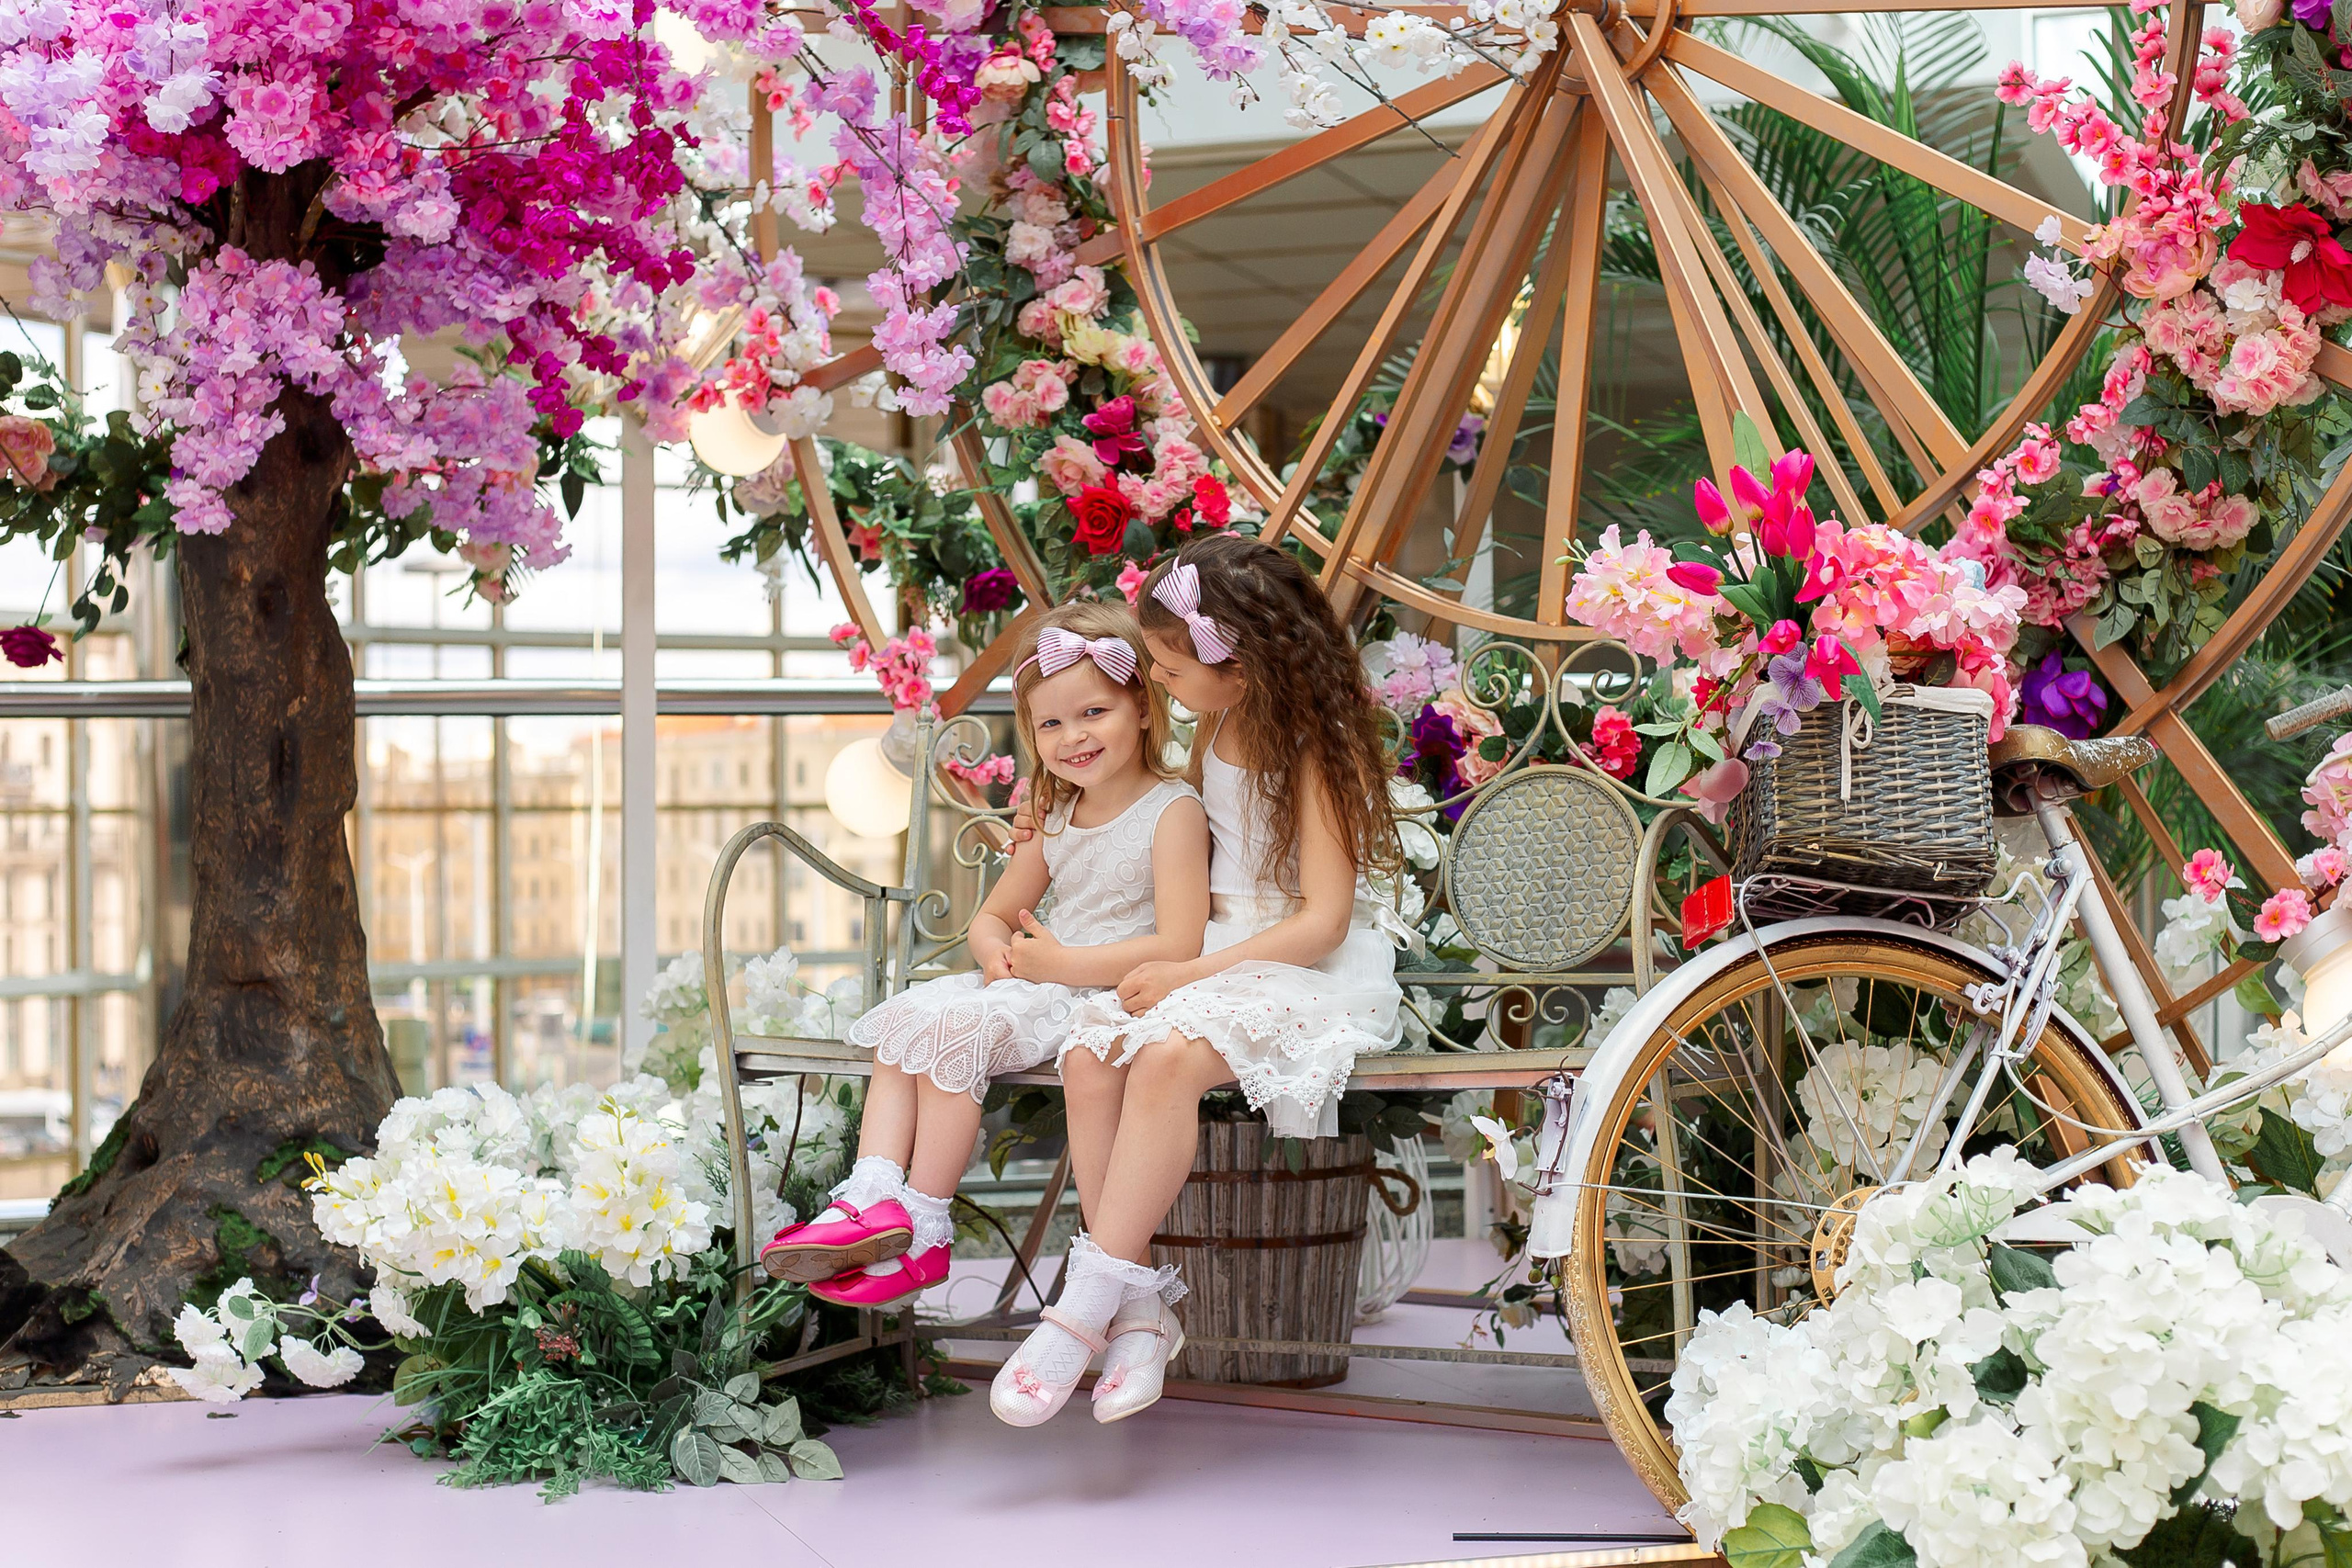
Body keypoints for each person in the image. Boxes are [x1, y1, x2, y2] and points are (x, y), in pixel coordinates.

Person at [991, 533, 1406, 1427]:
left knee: (1169, 1062)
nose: (1159, 683)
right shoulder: (1218, 718)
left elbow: (1322, 921)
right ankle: (1140, 1315)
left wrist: (1187, 969)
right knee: (1091, 1051)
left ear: (1244, 669)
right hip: (1217, 944)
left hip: (1299, 964)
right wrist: (1066, 833)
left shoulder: (1311, 749)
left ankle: (1080, 1305)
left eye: (1172, 669)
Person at [759, 604, 1210, 1308]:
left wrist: (1054, 964)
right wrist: (994, 947)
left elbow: (1180, 943)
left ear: (1144, 707)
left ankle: (928, 1222)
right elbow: (994, 913)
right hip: (1039, 978)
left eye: (1094, 712)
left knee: (958, 1032)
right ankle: (873, 1196)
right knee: (908, 1017)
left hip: (1103, 998)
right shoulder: (1055, 812)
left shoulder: (1172, 809)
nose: (1073, 737)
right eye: (1051, 724)